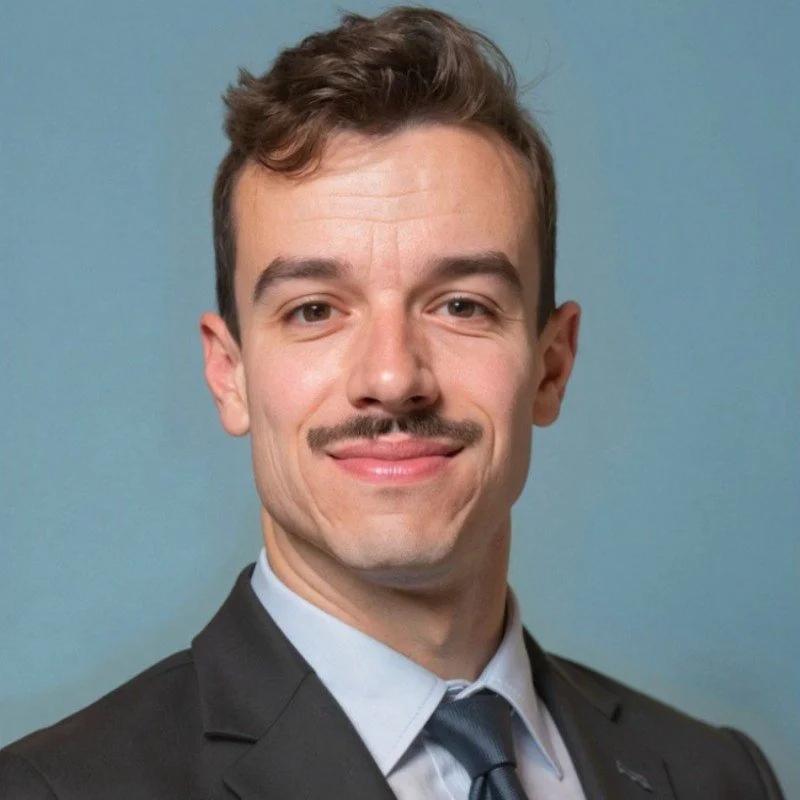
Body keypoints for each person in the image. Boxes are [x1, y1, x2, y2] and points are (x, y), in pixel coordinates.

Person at [0, 7, 785, 799]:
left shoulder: (720, 777)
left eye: (461, 305)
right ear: (229, 373)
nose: (393, 377)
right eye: (314, 309)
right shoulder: (57, 789)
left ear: (551, 365)